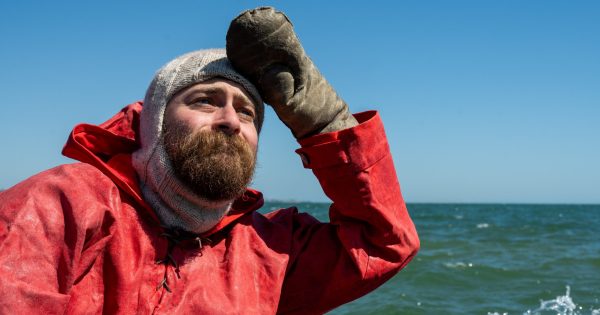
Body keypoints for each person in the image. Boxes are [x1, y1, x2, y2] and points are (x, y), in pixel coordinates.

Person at [0, 7, 419, 315]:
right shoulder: (62, 204)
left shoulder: (271, 252)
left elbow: (383, 244)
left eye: (248, 112)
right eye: (205, 101)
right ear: (155, 121)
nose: (231, 121)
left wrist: (323, 122)